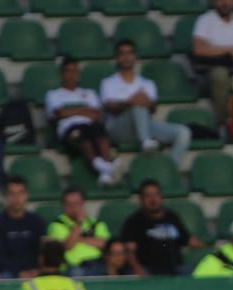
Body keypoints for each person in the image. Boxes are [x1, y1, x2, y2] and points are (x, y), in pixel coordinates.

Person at [100, 40, 191, 164]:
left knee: (183, 133)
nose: (126, 57)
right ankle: (145, 141)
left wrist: (146, 102)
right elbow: (110, 108)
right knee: (137, 104)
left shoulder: (147, 83)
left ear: (135, 56)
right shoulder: (108, 82)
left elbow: (153, 109)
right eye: (122, 54)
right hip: (118, 129)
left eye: (130, 53)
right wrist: (130, 102)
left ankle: (171, 169)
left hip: (144, 125)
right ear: (117, 58)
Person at [45, 58, 123, 187]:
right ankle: (107, 168)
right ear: (62, 74)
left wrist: (71, 111)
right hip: (69, 129)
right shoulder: (53, 95)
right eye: (68, 71)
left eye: (75, 71)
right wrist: (84, 110)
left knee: (99, 132)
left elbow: (97, 115)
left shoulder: (89, 93)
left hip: (91, 126)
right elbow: (60, 114)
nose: (72, 74)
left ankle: (105, 172)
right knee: (82, 135)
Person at [120, 179, 205, 276]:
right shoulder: (134, 221)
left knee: (198, 273)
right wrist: (138, 269)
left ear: (161, 196)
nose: (152, 199)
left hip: (176, 268)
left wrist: (209, 247)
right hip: (148, 269)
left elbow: (188, 240)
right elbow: (129, 251)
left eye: (155, 194)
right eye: (148, 195)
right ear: (141, 199)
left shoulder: (172, 217)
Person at [0, 176, 48, 279]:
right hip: (8, 273)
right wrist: (19, 272)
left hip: (35, 272)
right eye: (12, 194)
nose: (16, 198)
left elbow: (43, 252)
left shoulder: (37, 222)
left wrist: (36, 270)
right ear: (6, 196)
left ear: (26, 195)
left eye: (20, 193)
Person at [46, 187, 111, 276]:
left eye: (77, 203)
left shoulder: (96, 223)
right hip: (73, 266)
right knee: (77, 273)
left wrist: (77, 238)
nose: (73, 207)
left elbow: (104, 244)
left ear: (83, 203)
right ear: (63, 205)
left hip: (98, 263)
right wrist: (79, 223)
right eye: (69, 204)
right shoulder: (57, 224)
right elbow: (67, 246)